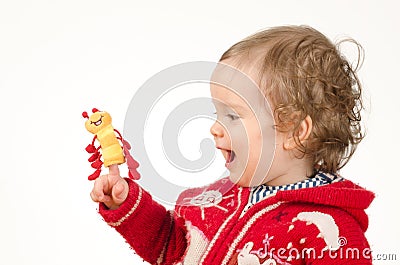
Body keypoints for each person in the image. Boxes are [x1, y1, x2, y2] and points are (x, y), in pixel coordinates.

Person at [90, 25, 374, 264]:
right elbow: (169, 247)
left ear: (296, 132)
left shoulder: (331, 233)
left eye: (232, 115)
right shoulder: (217, 200)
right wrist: (127, 204)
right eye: (217, 113)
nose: (215, 127)